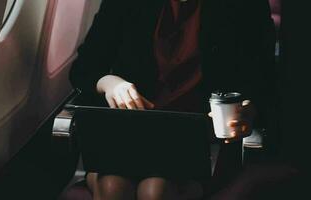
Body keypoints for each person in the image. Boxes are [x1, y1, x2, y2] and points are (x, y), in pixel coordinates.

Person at [69, 0, 276, 199]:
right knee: (113, 186)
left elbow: (264, 79)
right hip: (132, 130)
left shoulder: (245, 4)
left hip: (202, 137)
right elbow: (85, 68)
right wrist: (109, 83)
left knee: (155, 191)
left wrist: (250, 109)